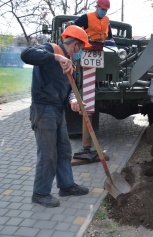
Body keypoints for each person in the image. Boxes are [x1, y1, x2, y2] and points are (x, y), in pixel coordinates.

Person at [21, 25, 92, 208]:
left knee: (64, 150)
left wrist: (74, 99)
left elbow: (70, 90)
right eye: (82, 47)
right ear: (75, 44)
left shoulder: (71, 65)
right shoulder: (51, 50)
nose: (82, 52)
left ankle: (66, 186)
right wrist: (56, 57)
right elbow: (26, 55)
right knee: (48, 153)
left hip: (58, 111)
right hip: (43, 109)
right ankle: (40, 193)